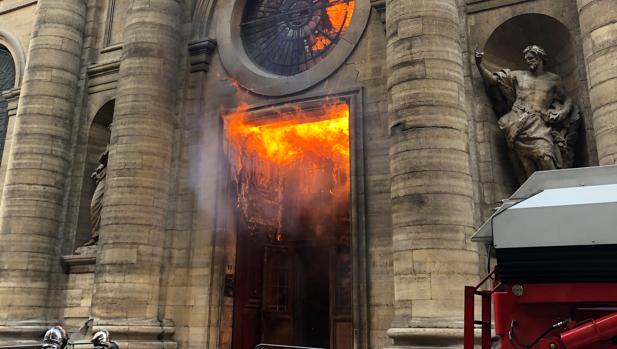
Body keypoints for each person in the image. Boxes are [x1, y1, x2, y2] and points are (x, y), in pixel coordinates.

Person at [475, 45, 580, 181]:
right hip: (517, 121)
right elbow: (493, 80)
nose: (528, 61)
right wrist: (479, 64)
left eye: (530, 58)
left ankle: (555, 191)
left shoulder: (553, 79)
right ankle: (532, 196)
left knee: (545, 156)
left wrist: (562, 113)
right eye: (526, 59)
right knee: (525, 162)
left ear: (540, 58)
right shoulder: (518, 75)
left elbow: (567, 100)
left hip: (539, 122)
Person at [83, 148, 109, 246]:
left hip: (109, 175)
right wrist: (99, 170)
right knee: (94, 205)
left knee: (98, 204)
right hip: (103, 175)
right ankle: (96, 234)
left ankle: (97, 236)